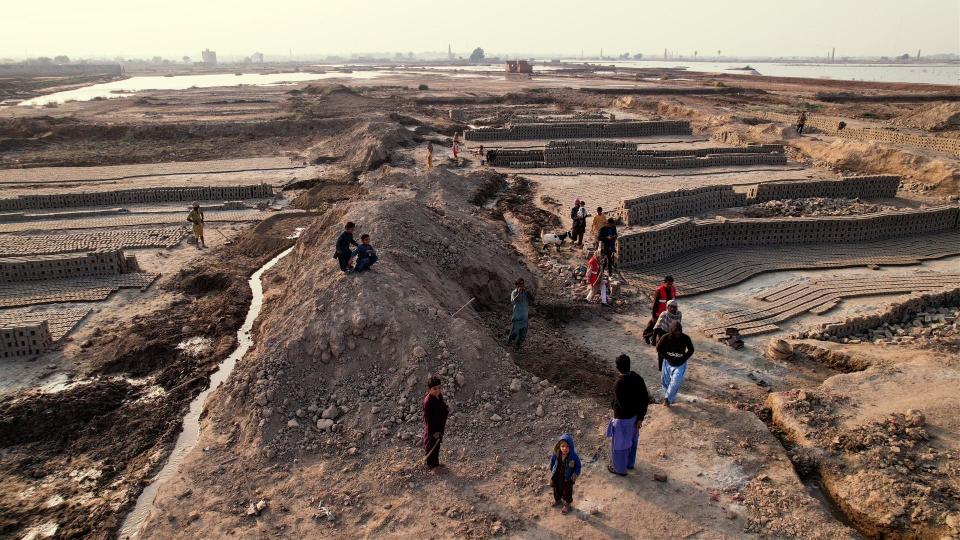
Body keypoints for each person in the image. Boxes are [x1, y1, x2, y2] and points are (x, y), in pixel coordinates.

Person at [607, 354, 649, 475]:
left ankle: (619, 469)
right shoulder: (638, 378)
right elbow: (645, 398)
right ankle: (630, 464)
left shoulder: (619, 384)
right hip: (635, 418)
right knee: (632, 441)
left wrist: (613, 404)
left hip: (622, 419)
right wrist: (640, 417)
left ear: (617, 367)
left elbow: (621, 404)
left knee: (620, 445)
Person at [656, 321, 694, 406]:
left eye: (679, 331)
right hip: (668, 363)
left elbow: (691, 349)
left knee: (675, 382)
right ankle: (669, 396)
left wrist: (684, 358)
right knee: (665, 382)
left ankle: (668, 399)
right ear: (672, 331)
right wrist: (666, 357)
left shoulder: (685, 338)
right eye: (676, 331)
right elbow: (658, 348)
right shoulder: (665, 337)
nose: (678, 333)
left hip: (680, 365)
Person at [548, 433, 582, 515]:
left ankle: (567, 503)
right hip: (557, 476)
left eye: (567, 446)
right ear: (559, 446)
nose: (565, 448)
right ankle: (557, 499)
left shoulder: (574, 456)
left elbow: (578, 466)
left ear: (571, 447)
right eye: (563, 446)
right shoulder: (556, 454)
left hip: (568, 478)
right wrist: (552, 470)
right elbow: (552, 462)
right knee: (556, 489)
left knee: (567, 491)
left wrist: (575, 474)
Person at [422, 376, 450, 471]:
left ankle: (436, 463)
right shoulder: (428, 402)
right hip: (432, 428)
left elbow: (441, 405)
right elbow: (428, 419)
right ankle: (432, 466)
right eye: (435, 389)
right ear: (429, 389)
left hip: (439, 425)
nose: (437, 390)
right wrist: (433, 432)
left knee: (437, 446)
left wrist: (446, 408)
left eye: (439, 388)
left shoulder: (438, 396)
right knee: (431, 445)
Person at [644, 276, 677, 344]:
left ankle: (660, 339)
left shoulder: (673, 289)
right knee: (653, 326)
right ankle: (646, 336)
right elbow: (655, 304)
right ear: (664, 283)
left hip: (668, 313)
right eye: (668, 284)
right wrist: (653, 316)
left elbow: (673, 301)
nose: (670, 286)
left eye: (671, 284)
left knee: (663, 328)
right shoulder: (659, 291)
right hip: (659, 313)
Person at [508, 278, 533, 351]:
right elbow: (513, 302)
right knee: (514, 331)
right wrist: (519, 293)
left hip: (524, 316)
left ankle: (518, 345)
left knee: (523, 332)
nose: (522, 285)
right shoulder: (514, 292)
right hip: (517, 315)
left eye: (523, 284)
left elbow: (532, 300)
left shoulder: (525, 292)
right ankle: (509, 342)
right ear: (517, 285)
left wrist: (528, 292)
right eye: (520, 284)